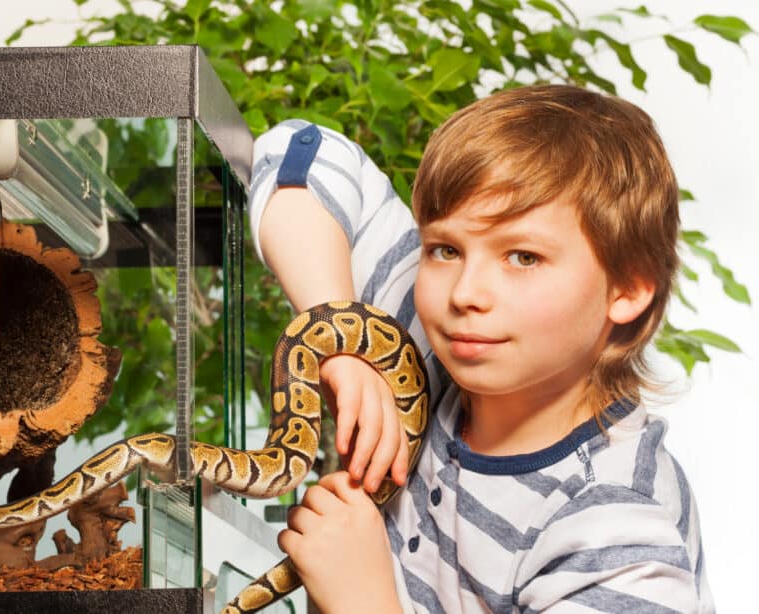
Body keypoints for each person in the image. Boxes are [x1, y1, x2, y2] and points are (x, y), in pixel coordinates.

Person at [248, 84, 713, 612]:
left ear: (627, 289)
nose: (466, 292)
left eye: (523, 257)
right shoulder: (429, 341)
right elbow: (300, 151)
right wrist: (341, 342)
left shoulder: (621, 532)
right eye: (445, 248)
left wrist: (365, 600)